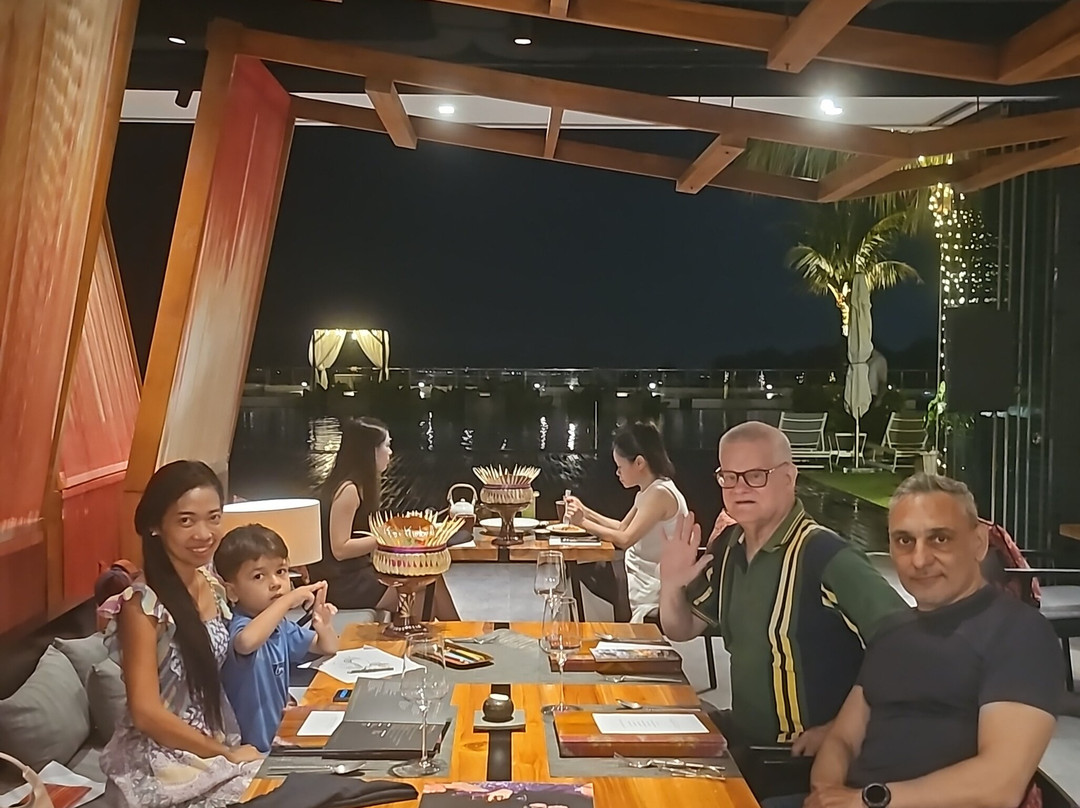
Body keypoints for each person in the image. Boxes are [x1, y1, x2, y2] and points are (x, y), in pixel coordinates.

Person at [659, 421, 907, 800]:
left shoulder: (825, 555)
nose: (740, 488)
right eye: (729, 477)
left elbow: (906, 647)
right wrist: (671, 584)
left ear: (789, 477)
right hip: (745, 745)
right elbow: (682, 628)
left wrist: (840, 729)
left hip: (802, 765)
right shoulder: (729, 546)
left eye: (755, 476)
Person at [798, 474, 1062, 808]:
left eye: (939, 538)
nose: (920, 560)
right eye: (904, 541)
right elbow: (842, 739)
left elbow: (999, 784)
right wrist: (826, 792)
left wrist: (864, 800)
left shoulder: (1019, 633)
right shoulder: (892, 633)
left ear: (978, 543)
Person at [97, 461, 262, 808]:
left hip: (211, 744)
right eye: (186, 521)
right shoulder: (142, 605)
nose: (204, 533)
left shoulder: (211, 584)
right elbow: (146, 713)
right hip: (158, 760)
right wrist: (224, 753)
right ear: (155, 526)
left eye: (213, 517)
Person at [307, 416, 458, 618]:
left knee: (430, 580)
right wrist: (390, 538)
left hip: (358, 572)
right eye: (387, 446)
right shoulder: (348, 491)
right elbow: (340, 549)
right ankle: (457, 632)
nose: (390, 452)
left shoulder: (359, 486)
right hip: (344, 583)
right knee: (427, 584)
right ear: (371, 452)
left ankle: (444, 631)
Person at [216, 525, 340, 753]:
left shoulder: (281, 626)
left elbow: (328, 647)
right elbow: (246, 642)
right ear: (232, 591)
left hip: (280, 737)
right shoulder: (239, 624)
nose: (275, 582)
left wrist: (323, 625)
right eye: (258, 576)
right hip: (251, 749)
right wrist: (288, 600)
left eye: (281, 571)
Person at [563, 421, 688, 622]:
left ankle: (599, 632)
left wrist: (582, 523)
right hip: (637, 570)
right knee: (578, 573)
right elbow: (622, 526)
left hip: (652, 581)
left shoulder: (659, 494)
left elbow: (625, 539)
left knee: (580, 577)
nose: (617, 473)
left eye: (620, 467)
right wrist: (585, 512)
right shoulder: (650, 490)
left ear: (639, 463)